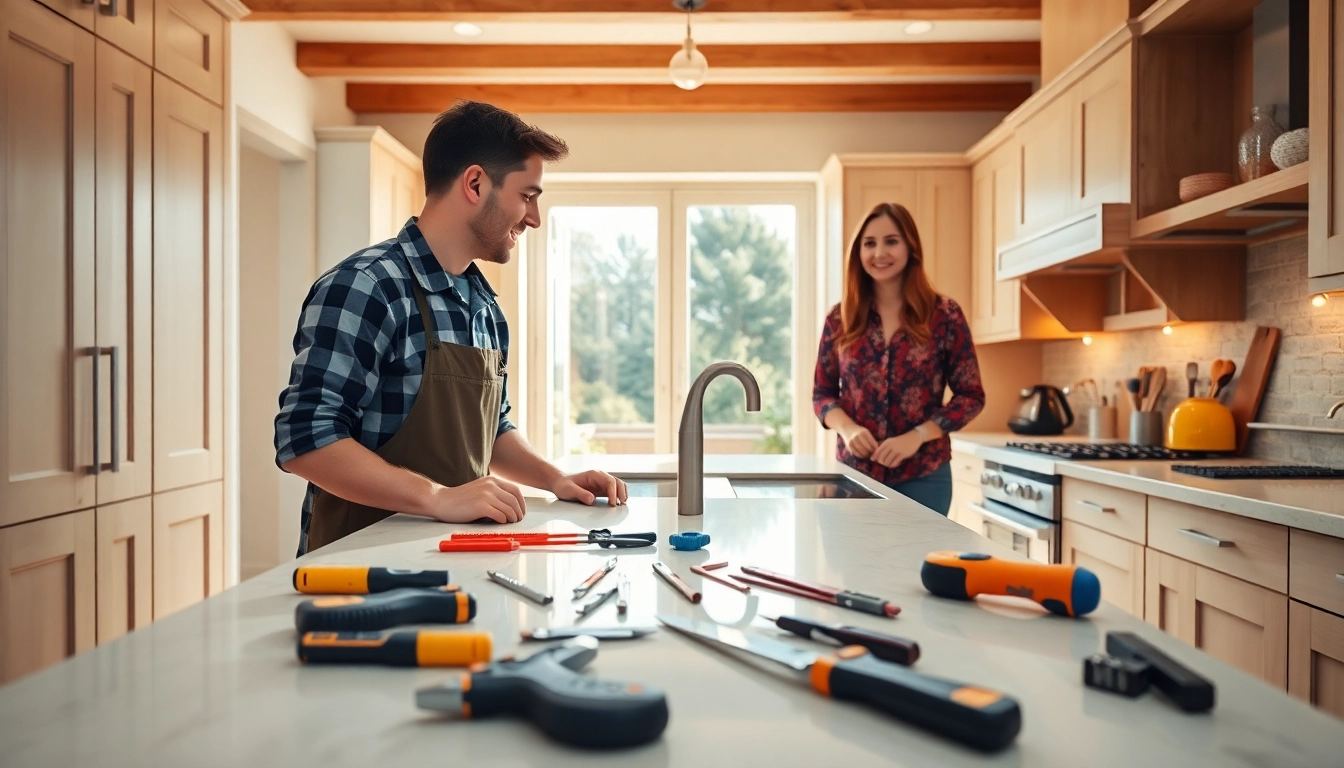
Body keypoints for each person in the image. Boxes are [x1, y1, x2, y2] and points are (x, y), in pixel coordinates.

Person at [276, 101, 628, 555]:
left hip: (462, 556)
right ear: (476, 183)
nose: (534, 218)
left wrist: (553, 479)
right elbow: (305, 438)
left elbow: (491, 428)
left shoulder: (484, 306)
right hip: (356, 569)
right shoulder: (367, 287)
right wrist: (436, 498)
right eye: (527, 196)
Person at [812, 202, 985, 515]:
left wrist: (917, 436)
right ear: (858, 252)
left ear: (910, 247)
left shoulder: (944, 315)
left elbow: (971, 396)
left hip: (924, 476)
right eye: (870, 243)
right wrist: (848, 429)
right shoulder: (840, 318)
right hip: (854, 475)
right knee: (853, 564)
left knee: (918, 564)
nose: (880, 253)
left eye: (891, 241)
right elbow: (822, 394)